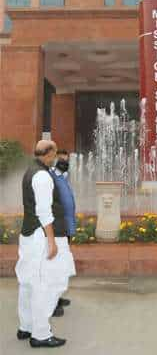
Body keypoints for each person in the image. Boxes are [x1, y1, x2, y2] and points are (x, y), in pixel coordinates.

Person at [15, 140, 75, 348]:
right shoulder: (41, 176)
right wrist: (52, 240)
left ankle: (26, 326)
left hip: (29, 235)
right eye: (55, 153)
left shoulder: (31, 171)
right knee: (44, 284)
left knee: (28, 282)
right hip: (40, 237)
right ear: (48, 153)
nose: (57, 157)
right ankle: (40, 334)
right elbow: (44, 212)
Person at [49, 149, 76, 317]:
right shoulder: (51, 177)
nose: (64, 163)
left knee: (61, 263)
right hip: (57, 227)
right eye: (61, 160)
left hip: (65, 226)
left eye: (66, 161)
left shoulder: (63, 177)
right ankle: (51, 303)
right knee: (54, 265)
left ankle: (57, 297)